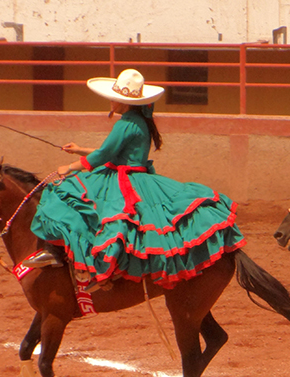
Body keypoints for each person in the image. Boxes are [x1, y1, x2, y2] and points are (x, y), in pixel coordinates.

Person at [26, 69, 246, 292]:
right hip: (137, 177)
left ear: (125, 102)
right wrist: (79, 150)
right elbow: (114, 151)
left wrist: (70, 167)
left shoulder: (125, 123)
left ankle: (73, 260)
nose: (111, 102)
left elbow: (104, 155)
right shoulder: (139, 121)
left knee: (65, 194)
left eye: (115, 99)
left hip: (123, 180)